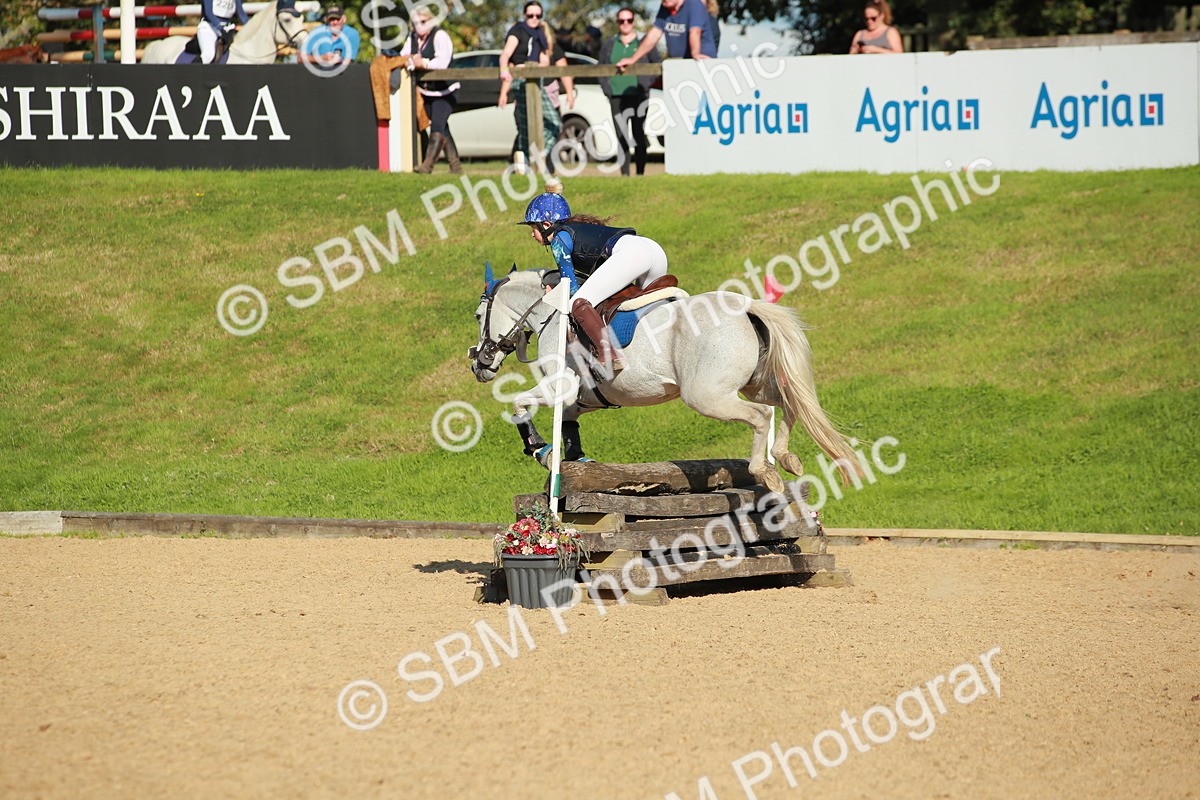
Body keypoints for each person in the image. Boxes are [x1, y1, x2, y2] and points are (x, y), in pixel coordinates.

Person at [518, 185, 668, 371]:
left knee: (579, 302)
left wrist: (555, 293)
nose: (532, 234)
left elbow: (571, 287)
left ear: (546, 225)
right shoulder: (578, 229)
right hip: (654, 250)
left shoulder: (559, 240)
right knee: (648, 308)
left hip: (633, 254)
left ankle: (608, 354)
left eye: (533, 228)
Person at [600, 8, 660, 176]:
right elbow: (601, 68)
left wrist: (645, 84)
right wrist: (608, 90)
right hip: (617, 96)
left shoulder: (643, 43)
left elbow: (656, 64)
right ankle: (624, 174)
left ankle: (640, 173)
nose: (625, 23)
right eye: (621, 20)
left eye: (629, 20)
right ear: (617, 23)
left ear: (633, 21)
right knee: (621, 135)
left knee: (639, 134)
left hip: (639, 95)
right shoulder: (610, 44)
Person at [402, 8, 462, 174]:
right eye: (415, 23)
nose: (419, 26)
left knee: (437, 125)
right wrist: (411, 60)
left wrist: (423, 63)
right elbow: (404, 55)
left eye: (423, 22)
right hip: (426, 91)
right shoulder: (412, 37)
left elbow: (442, 62)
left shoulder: (440, 35)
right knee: (442, 126)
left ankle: (427, 166)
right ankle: (455, 166)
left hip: (446, 90)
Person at [498, 2, 552, 174]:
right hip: (520, 81)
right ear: (524, 15)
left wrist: (533, 67)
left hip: (536, 81)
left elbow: (545, 61)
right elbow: (505, 56)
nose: (534, 19)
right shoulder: (517, 31)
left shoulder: (540, 35)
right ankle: (525, 165)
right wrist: (505, 72)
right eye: (531, 15)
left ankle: (535, 158)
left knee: (554, 123)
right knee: (525, 126)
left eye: (538, 15)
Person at [614, 0, 715, 69]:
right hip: (681, 64)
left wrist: (695, 53)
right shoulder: (666, 6)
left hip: (702, 62)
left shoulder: (694, 4)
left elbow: (695, 32)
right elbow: (654, 35)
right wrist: (633, 59)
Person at [198, 0, 248, 64]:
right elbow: (208, 13)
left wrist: (253, 27)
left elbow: (241, 14)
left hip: (227, 28)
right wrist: (221, 27)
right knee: (208, 56)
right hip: (209, 27)